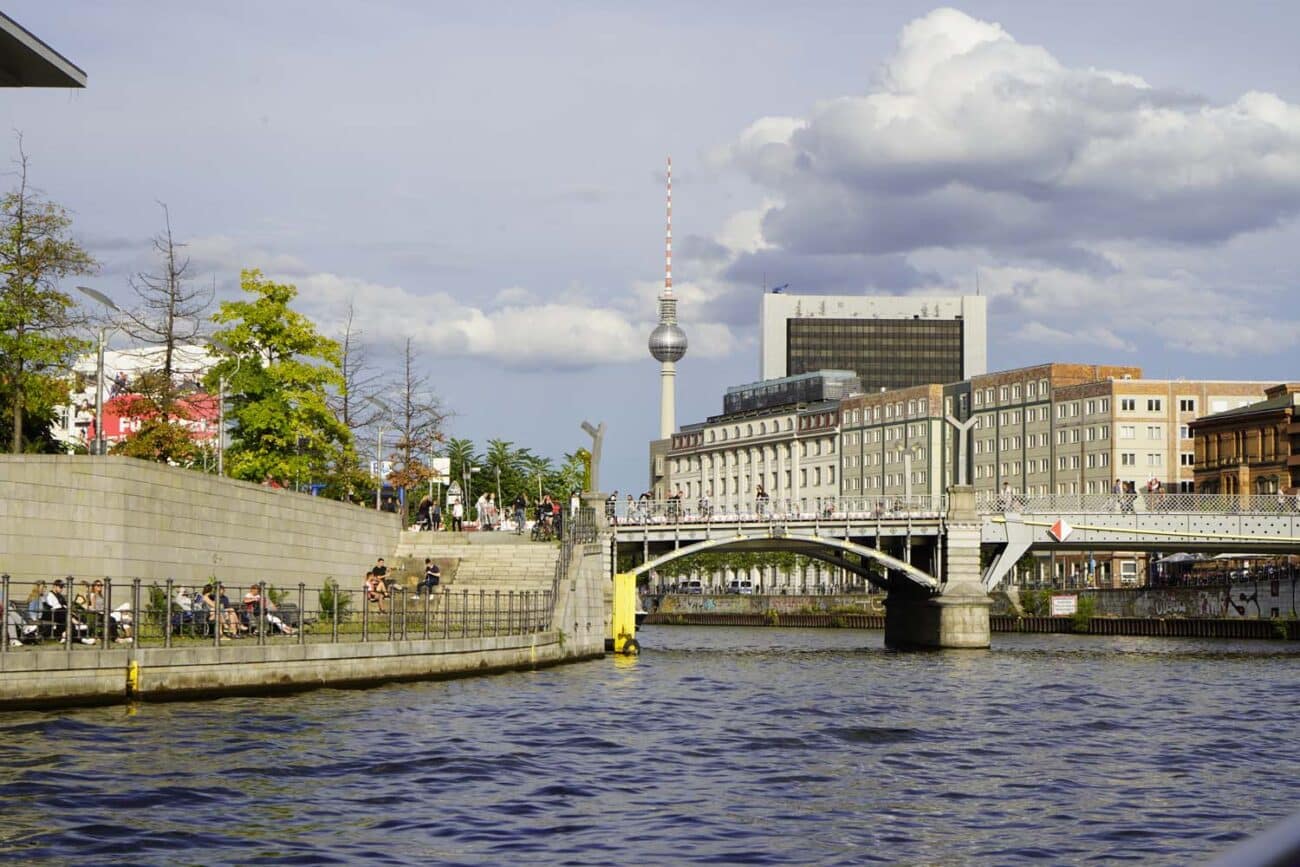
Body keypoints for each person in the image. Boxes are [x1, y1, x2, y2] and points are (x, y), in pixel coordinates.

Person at [45, 578, 94, 644]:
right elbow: (55, 607)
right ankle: (81, 638)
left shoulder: (60, 596)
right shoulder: (50, 596)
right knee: (67, 616)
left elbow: (65, 605)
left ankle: (65, 634)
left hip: (62, 614)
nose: (62, 589)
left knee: (71, 618)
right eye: (60, 587)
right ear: (55, 586)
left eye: (62, 587)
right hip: (55, 614)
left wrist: (71, 612)